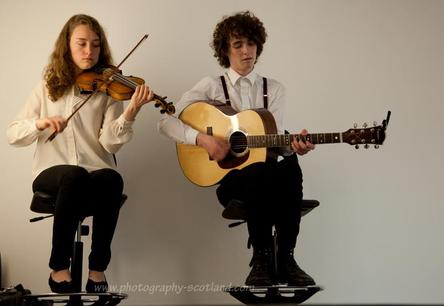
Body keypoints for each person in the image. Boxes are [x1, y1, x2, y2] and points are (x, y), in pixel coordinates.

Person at [158, 11, 316, 286]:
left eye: (251, 44)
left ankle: (286, 257)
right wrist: (202, 139)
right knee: (258, 173)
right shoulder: (210, 86)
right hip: (231, 179)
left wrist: (292, 148)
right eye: (238, 45)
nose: (246, 51)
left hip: (266, 174)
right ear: (225, 50)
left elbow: (275, 143)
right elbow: (165, 122)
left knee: (289, 166)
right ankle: (262, 259)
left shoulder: (274, 89)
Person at [7, 14, 154, 293]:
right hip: (52, 173)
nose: (89, 51)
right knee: (73, 175)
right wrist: (41, 123)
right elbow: (13, 134)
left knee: (112, 178)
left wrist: (132, 111)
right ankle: (58, 267)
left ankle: (97, 270)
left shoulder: (108, 90)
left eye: (95, 45)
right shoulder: (47, 88)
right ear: (67, 46)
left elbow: (110, 144)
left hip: (94, 170)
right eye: (82, 43)